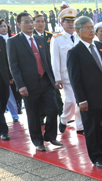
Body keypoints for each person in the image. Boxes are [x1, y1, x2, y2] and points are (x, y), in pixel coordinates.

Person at [7, 12, 61, 151]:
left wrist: (53, 79)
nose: (30, 24)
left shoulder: (40, 39)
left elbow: (47, 61)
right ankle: (38, 141)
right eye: (26, 22)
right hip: (28, 85)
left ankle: (50, 136)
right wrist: (21, 85)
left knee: (53, 109)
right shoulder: (13, 42)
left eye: (31, 21)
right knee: (33, 114)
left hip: (45, 82)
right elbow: (14, 66)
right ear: (18, 25)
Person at [67, 16, 102, 169]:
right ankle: (96, 157)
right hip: (89, 97)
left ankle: (101, 149)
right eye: (87, 28)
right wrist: (81, 99)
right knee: (92, 128)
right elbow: (75, 79)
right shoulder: (75, 52)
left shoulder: (100, 45)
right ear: (78, 31)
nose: (91, 30)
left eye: (92, 27)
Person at [51, 8, 84, 135]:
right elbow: (55, 60)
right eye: (67, 21)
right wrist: (57, 78)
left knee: (81, 101)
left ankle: (80, 126)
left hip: (80, 75)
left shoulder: (79, 37)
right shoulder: (57, 39)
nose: (70, 24)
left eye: (72, 21)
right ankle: (64, 120)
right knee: (71, 101)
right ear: (62, 23)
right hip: (66, 76)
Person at [34, 14, 64, 123]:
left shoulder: (50, 36)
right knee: (40, 94)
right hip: (39, 70)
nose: (41, 23)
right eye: (38, 21)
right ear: (33, 23)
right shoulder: (31, 36)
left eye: (43, 21)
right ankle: (41, 116)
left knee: (56, 93)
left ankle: (62, 114)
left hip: (51, 70)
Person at [0, 19, 12, 140]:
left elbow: (6, 60)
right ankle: (4, 131)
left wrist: (10, 76)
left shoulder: (3, 41)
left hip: (3, 78)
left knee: (4, 101)